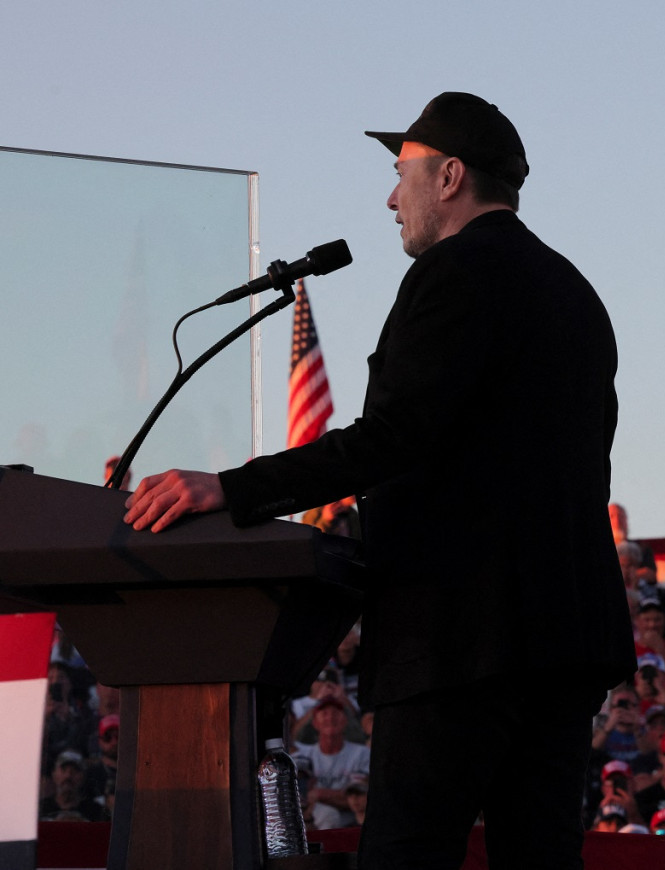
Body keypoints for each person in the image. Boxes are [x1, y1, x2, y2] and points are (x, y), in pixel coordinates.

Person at [121, 92, 635, 869]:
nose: (391, 197)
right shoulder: (574, 291)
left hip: (459, 638)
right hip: (565, 642)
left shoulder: (456, 273)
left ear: (451, 176)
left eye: (403, 174)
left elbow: (394, 437)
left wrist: (232, 487)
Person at [292, 696, 371, 829]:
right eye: (324, 713)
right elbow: (300, 800)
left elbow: (361, 800)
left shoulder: (362, 754)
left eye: (336, 713)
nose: (331, 717)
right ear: (315, 723)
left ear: (345, 720)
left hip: (356, 826)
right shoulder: (302, 757)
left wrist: (319, 794)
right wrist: (340, 796)